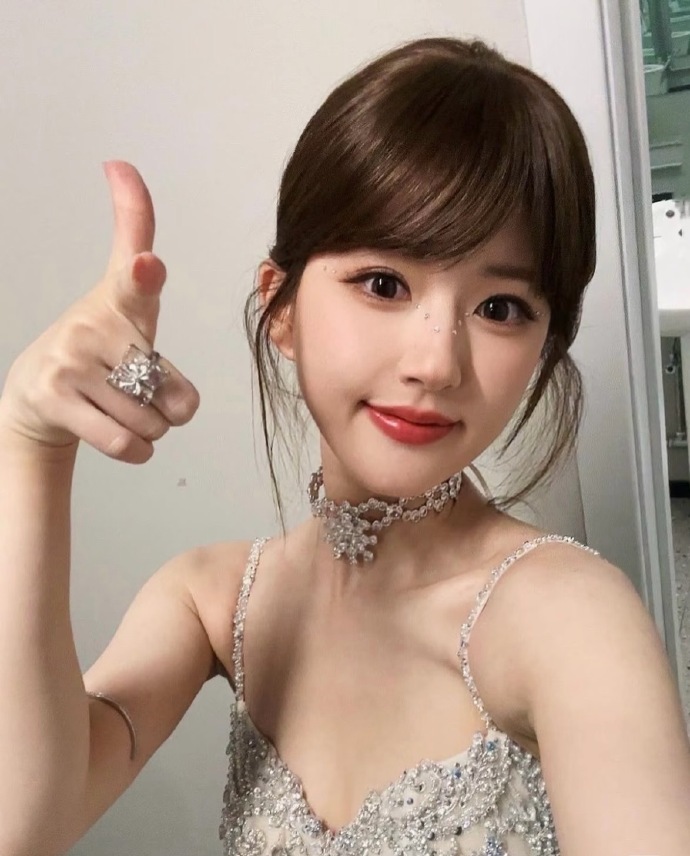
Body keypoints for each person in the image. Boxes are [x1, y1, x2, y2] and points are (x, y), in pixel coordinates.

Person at [0, 35, 688, 856]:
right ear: (282, 308)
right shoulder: (213, 602)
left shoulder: (569, 618)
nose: (437, 364)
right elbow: (26, 826)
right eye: (384, 284)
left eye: (500, 308)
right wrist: (31, 446)